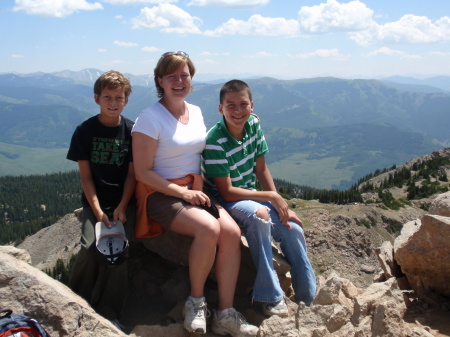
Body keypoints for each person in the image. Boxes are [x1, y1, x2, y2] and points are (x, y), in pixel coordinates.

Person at [132, 52, 258, 337]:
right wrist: (181, 193)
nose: (179, 81)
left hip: (195, 190)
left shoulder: (197, 112)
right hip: (160, 192)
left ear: (191, 79)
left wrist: (244, 119)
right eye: (172, 76)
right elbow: (142, 172)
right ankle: (196, 303)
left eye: (185, 75)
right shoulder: (149, 119)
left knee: (230, 233)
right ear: (160, 81)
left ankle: (225, 313)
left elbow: (215, 134)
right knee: (209, 228)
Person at [203, 79, 317, 317]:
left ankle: (308, 297)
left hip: (250, 195)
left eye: (242, 104)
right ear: (220, 108)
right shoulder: (214, 141)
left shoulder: (253, 125)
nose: (237, 110)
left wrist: (279, 203)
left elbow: (261, 168)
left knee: (293, 228)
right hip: (227, 200)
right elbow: (226, 192)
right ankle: (270, 296)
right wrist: (271, 196)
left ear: (252, 106)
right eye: (230, 105)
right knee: (260, 216)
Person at [66, 70, 135, 330]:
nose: (113, 102)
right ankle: (74, 301)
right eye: (107, 96)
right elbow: (86, 178)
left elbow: (132, 175)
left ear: (126, 100)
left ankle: (110, 311)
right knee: (88, 248)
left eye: (119, 97)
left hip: (123, 204)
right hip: (94, 203)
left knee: (118, 252)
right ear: (97, 98)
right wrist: (96, 210)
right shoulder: (84, 131)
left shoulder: (131, 131)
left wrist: (121, 207)